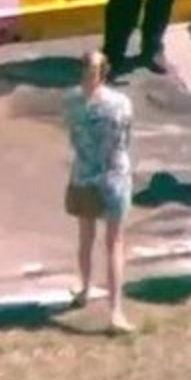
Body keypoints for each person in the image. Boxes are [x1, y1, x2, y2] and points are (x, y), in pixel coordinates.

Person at [63, 50, 135, 332]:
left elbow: (72, 136)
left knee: (86, 237)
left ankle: (84, 289)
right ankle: (115, 311)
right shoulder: (121, 103)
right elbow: (125, 139)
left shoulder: (71, 102)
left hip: (83, 175)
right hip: (114, 176)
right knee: (114, 243)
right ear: (105, 72)